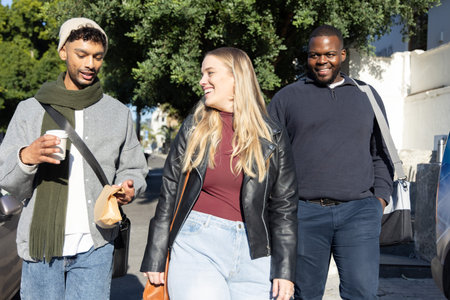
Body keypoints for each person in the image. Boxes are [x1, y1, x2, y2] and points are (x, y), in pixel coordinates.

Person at [0, 17, 148, 300]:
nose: (90, 64)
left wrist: (129, 185)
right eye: (81, 55)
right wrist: (27, 157)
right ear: (63, 52)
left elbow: (133, 167)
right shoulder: (29, 110)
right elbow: (6, 179)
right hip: (40, 248)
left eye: (97, 57)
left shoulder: (117, 113)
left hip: (96, 245)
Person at [140, 47, 298, 300]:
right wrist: (156, 254)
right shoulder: (194, 126)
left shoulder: (273, 135)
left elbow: (285, 207)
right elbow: (169, 191)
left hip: (255, 253)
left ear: (236, 77)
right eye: (202, 74)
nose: (202, 81)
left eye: (210, 73)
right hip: (197, 245)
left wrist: (285, 269)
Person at [268, 25, 394, 300]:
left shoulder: (367, 96)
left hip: (359, 214)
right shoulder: (287, 98)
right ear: (308, 57)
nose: (322, 61)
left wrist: (379, 200)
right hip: (304, 214)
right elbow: (268, 157)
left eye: (330, 54)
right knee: (303, 295)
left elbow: (381, 153)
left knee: (362, 293)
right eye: (315, 55)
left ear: (343, 55)